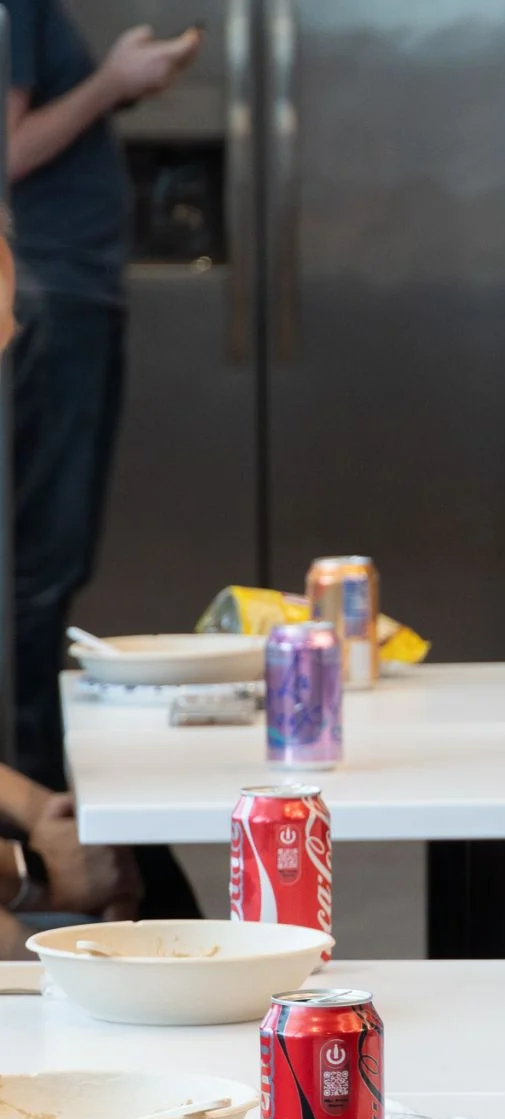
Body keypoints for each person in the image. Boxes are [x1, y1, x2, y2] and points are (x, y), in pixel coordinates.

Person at [8, 5, 198, 791]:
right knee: (41, 564)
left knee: (49, 558)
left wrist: (113, 89)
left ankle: (45, 807)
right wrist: (109, 83)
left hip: (63, 292)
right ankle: (44, 807)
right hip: (51, 295)